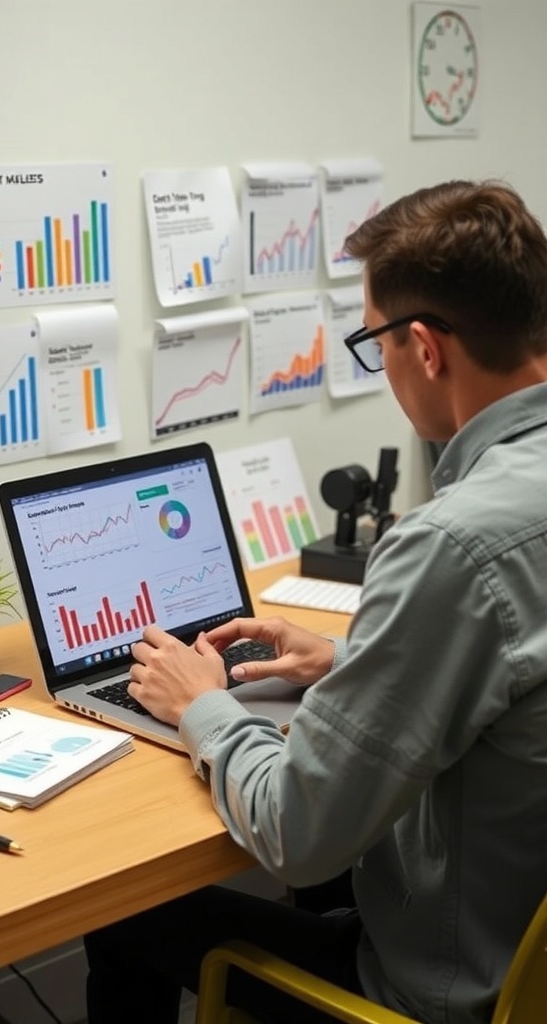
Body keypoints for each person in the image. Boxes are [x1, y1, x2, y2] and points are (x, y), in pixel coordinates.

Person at [84, 180, 547, 1024]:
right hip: (521, 950)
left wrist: (207, 708)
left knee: (123, 915)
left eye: (374, 343)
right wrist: (349, 661)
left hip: (440, 996)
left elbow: (297, 833)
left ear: (424, 347)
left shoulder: (454, 544)